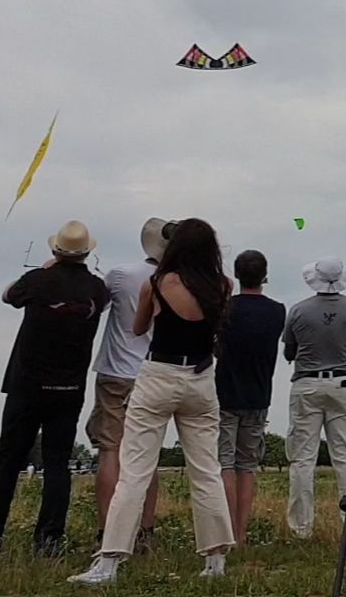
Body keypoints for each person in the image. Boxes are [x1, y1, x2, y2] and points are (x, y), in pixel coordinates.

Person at [68, 218, 234, 586]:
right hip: (201, 379)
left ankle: (109, 561)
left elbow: (139, 328)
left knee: (135, 471)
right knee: (206, 470)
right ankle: (216, 560)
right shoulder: (223, 285)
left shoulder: (157, 284)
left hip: (159, 375)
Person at [0, 221, 108, 555]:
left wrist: (46, 269)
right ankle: (49, 539)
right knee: (57, 464)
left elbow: (7, 295)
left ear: (55, 250)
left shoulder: (37, 280)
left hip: (27, 385)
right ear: (87, 252)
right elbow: (104, 305)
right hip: (69, 387)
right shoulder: (97, 289)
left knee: (9, 461)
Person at [86, 218, 174, 550]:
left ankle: (108, 531)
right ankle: (145, 530)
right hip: (153, 372)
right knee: (146, 456)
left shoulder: (122, 275)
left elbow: (99, 306)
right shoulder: (177, 282)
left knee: (111, 450)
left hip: (116, 372)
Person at [283, 257, 346, 539]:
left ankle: (301, 527)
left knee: (302, 460)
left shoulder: (298, 310)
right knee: (345, 457)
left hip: (307, 384)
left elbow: (289, 352)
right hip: (343, 383)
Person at [215, 250, 286, 545]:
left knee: (225, 463)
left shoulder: (224, 309)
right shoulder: (277, 311)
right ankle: (241, 532)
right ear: (264, 276)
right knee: (247, 465)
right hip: (258, 394)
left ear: (236, 274)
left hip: (225, 392)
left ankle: (225, 531)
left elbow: (216, 347)